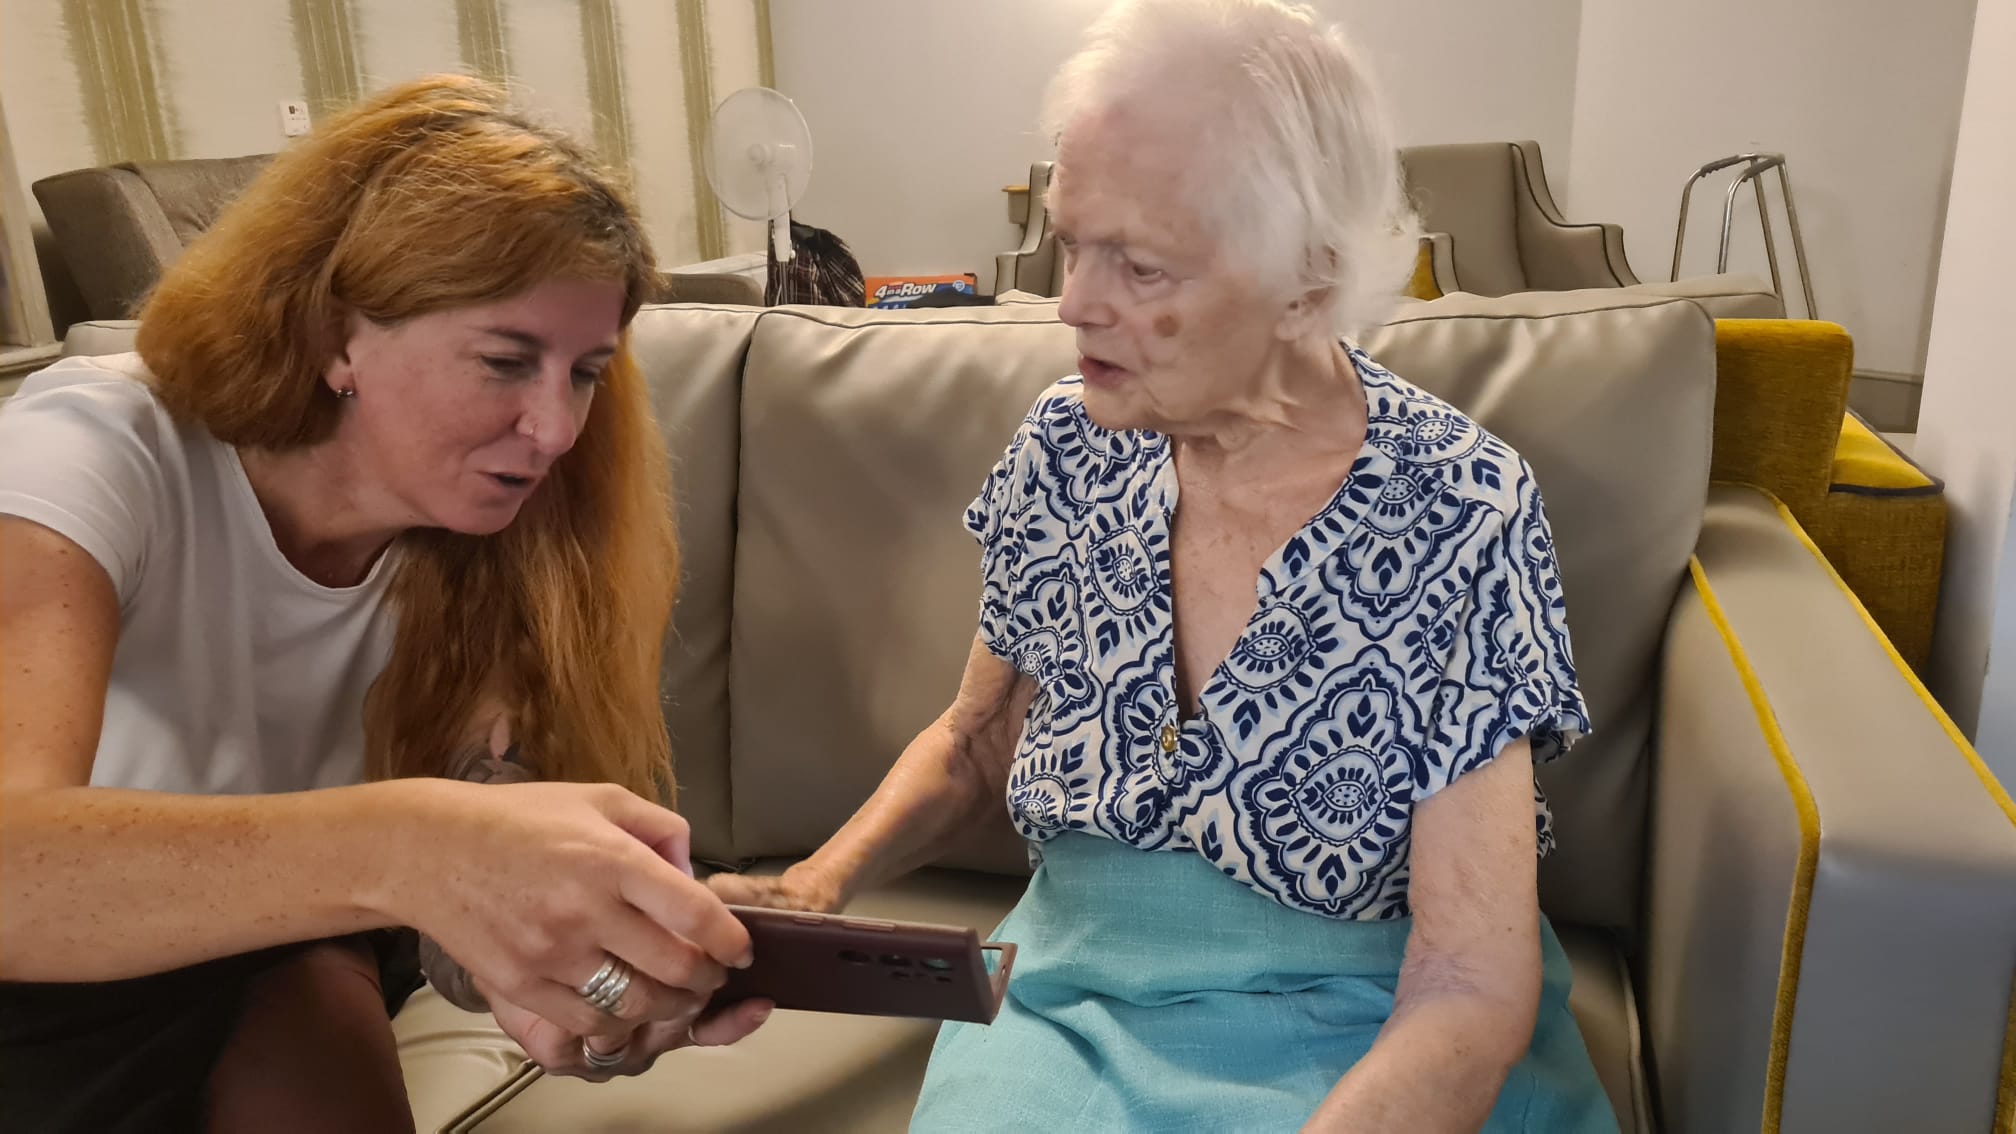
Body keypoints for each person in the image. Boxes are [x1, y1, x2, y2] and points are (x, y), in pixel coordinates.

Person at [708, 2, 1618, 1130]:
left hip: (1371, 1019)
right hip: (1073, 997)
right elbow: (979, 741)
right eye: (1070, 240)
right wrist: (811, 888)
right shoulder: (1066, 446)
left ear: (1308, 280)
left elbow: (1468, 985)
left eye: (1139, 266)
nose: (1075, 303)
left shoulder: (1462, 507)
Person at [0, 76, 770, 1133]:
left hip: (296, 963)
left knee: (312, 963)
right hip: (41, 995)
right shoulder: (91, 448)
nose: (554, 430)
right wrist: (415, 845)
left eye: (586, 372)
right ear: (336, 336)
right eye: (506, 361)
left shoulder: (506, 541)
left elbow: (454, 933)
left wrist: (590, 973)